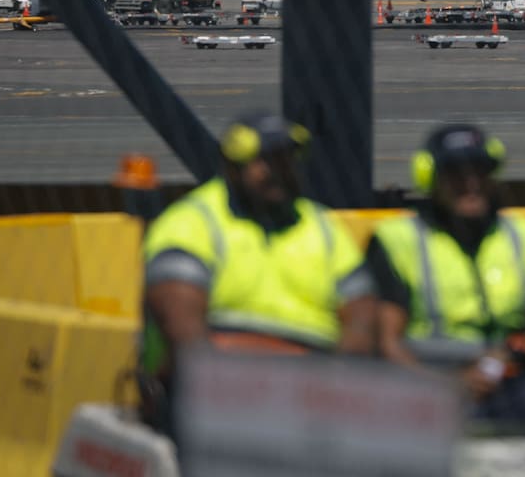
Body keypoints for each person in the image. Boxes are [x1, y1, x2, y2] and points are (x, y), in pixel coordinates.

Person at [139, 112, 376, 432]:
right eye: (266, 162)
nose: (279, 171)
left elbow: (362, 316)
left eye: (286, 160)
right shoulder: (192, 223)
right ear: (233, 167)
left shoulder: (323, 227)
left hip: (312, 395)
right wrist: (238, 392)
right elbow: (183, 329)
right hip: (211, 395)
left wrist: (336, 382)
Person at [364, 123, 525, 421]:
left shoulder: (522, 237)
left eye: (479, 171)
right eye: (456, 174)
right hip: (429, 381)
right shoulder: (399, 240)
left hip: (508, 378)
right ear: (430, 177)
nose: (471, 184)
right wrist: (449, 385)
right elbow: (386, 345)